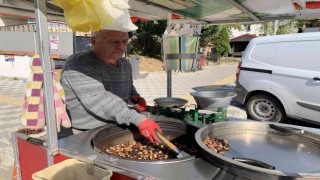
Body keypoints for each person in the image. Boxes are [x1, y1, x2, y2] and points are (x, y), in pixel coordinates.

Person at [60, 29, 162, 142]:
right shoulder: (78, 63)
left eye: (124, 41)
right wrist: (138, 119)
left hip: (115, 124)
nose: (121, 47)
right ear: (94, 41)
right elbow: (98, 100)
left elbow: (129, 86)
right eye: (114, 41)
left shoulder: (125, 64)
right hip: (82, 132)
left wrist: (134, 97)